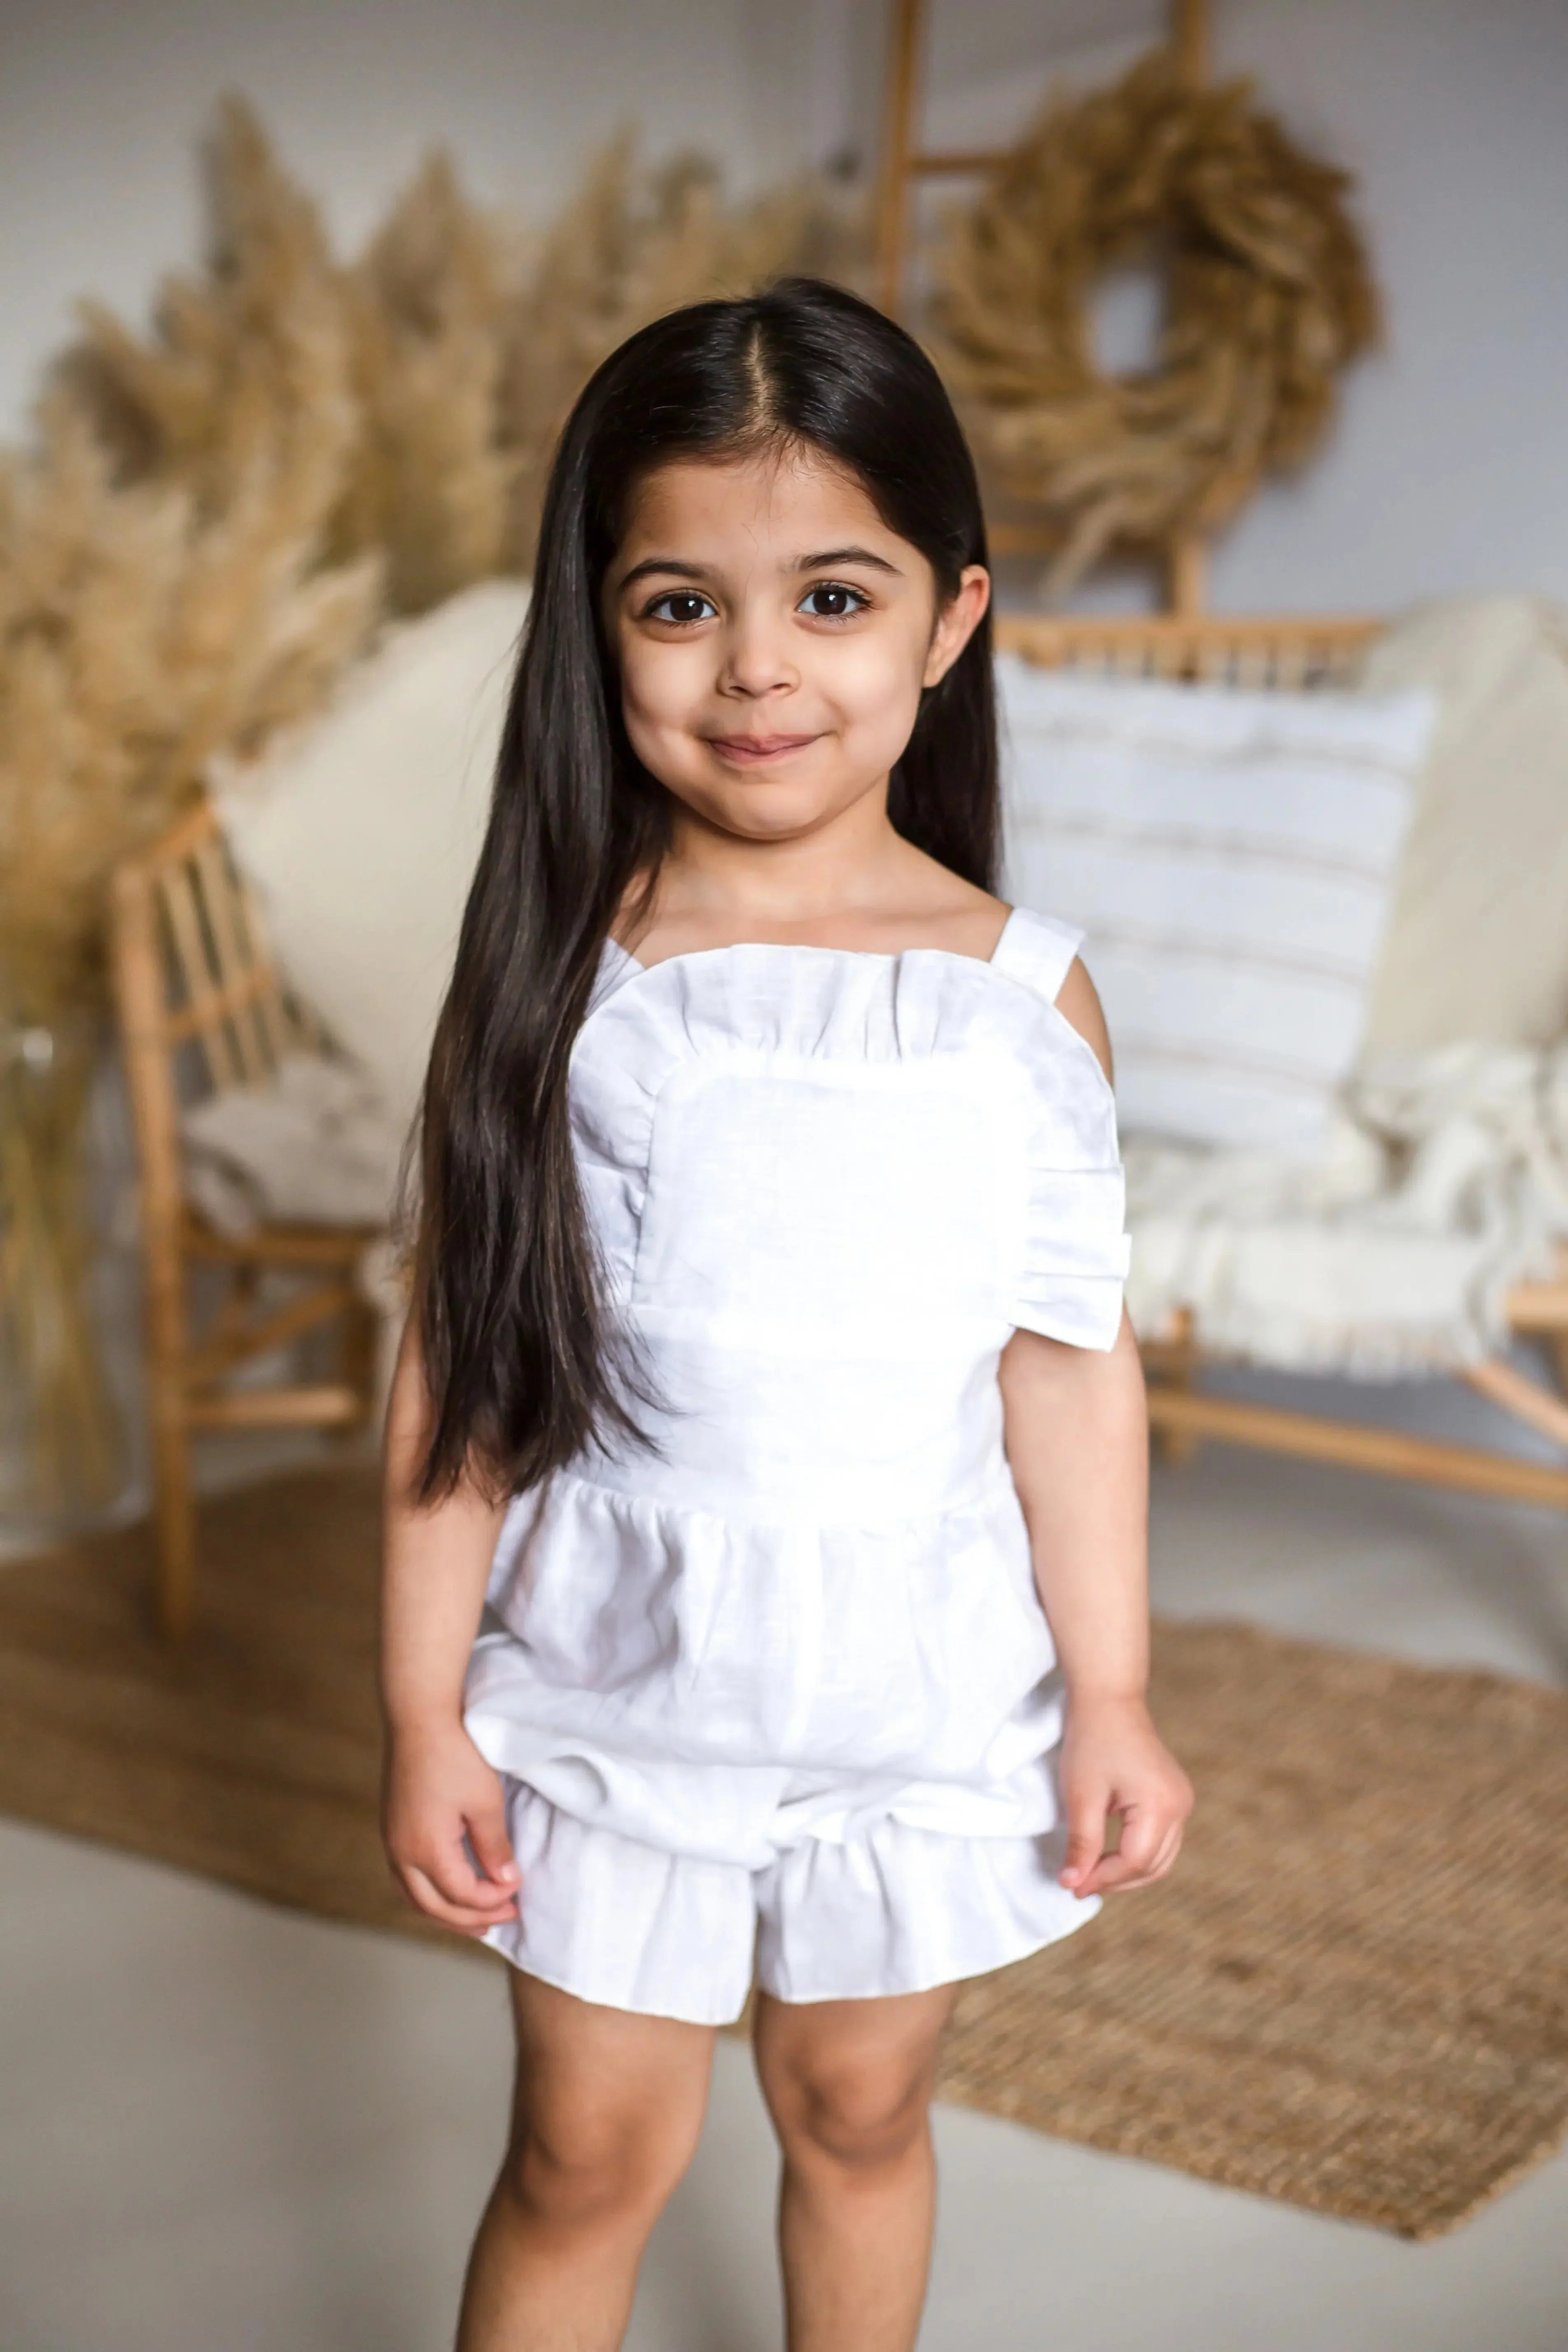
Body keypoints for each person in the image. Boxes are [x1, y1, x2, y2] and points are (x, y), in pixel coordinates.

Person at [379, 274, 1192, 2352]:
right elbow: (462, 1378)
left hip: (909, 1693)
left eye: (833, 598)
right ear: (601, 626)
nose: (758, 669)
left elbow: (1065, 1363)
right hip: (619, 1686)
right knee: (584, 2156)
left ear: (950, 617)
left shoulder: (1024, 996)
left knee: (858, 2105)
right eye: (680, 605)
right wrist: (419, 1714)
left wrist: (1106, 1689)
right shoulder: (572, 982)